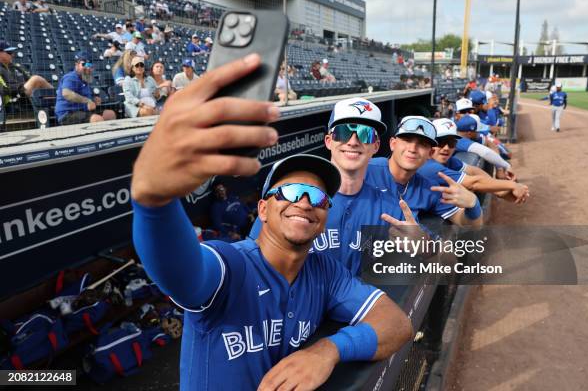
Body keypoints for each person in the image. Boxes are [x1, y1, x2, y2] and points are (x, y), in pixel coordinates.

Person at [131, 65, 413, 386]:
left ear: (324, 217)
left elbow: (397, 324)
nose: (305, 202)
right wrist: (153, 203)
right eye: (291, 192)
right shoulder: (233, 265)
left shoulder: (324, 272)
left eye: (318, 197)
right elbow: (181, 270)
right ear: (263, 209)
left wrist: (328, 350)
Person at [250, 98, 412, 275]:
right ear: (328, 141)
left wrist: (424, 247)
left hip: (358, 299)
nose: (353, 141)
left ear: (376, 145)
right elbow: (252, 262)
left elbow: (437, 259)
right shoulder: (292, 199)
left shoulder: (390, 208)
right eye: (343, 132)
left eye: (365, 134)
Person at [366, 116, 484, 226]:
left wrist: (473, 205)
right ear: (393, 144)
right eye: (407, 140)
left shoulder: (428, 188)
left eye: (422, 144)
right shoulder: (365, 170)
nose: (412, 149)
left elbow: (472, 223)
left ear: (430, 153)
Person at [418, 119, 529, 204]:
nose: (446, 148)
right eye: (440, 142)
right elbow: (473, 183)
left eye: (451, 143)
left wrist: (500, 191)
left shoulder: (449, 161)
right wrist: (511, 185)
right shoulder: (427, 165)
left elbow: (473, 171)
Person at [55, 52, 116, 125]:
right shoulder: (70, 77)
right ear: (76, 64)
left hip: (82, 111)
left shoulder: (85, 80)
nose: (88, 68)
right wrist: (87, 101)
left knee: (110, 114)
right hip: (67, 114)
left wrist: (94, 100)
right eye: (84, 64)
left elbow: (85, 98)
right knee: (96, 119)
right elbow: (66, 93)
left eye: (90, 65)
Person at [454, 115, 516, 180]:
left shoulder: (469, 136)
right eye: (477, 131)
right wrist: (507, 166)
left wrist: (499, 169)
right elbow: (485, 152)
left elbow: (491, 144)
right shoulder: (459, 140)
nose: (479, 133)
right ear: (469, 133)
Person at [0, 40, 53, 105]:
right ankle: (59, 98)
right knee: (36, 79)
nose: (13, 55)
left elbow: (29, 79)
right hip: (12, 99)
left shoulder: (15, 67)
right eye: (9, 52)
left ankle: (56, 100)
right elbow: (5, 89)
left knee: (38, 85)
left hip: (23, 94)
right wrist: (22, 87)